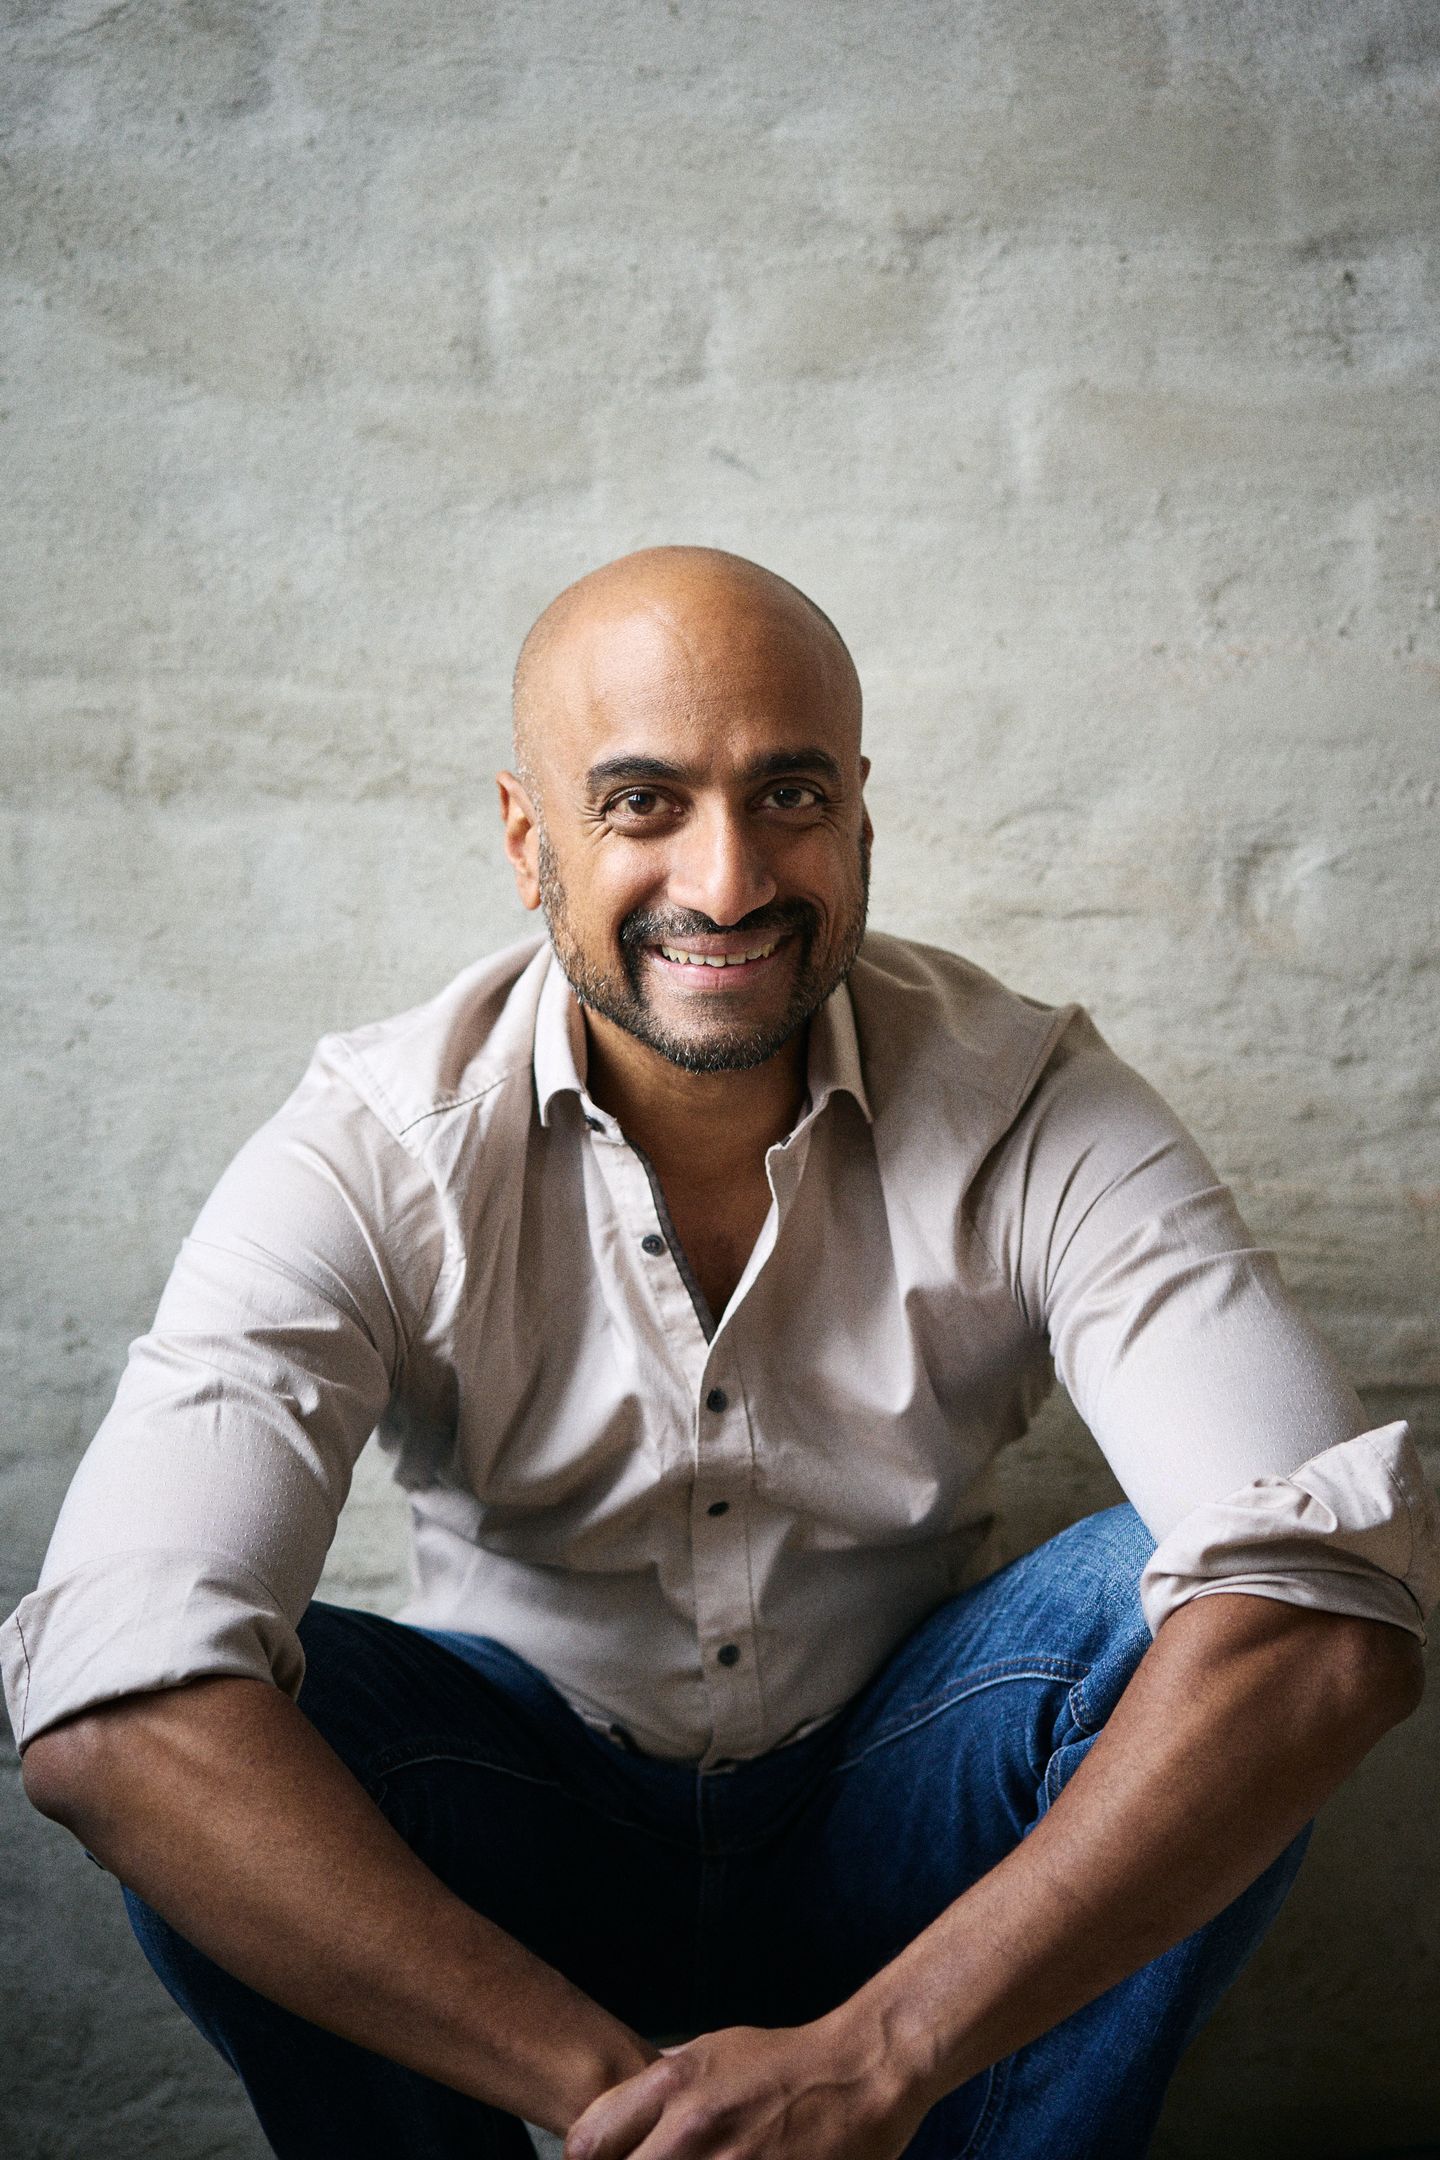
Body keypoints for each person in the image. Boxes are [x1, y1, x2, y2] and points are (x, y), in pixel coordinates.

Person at [8, 547, 1437, 2160]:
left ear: (861, 819)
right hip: (514, 1834)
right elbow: (112, 1708)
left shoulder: (1028, 1103)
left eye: (789, 796)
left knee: (1194, 1618)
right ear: (528, 838)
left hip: (900, 1814)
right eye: (642, 803)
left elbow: (1336, 1609)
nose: (731, 878)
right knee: (220, 1738)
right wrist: (622, 2108)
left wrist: (876, 2061)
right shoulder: (376, 1147)